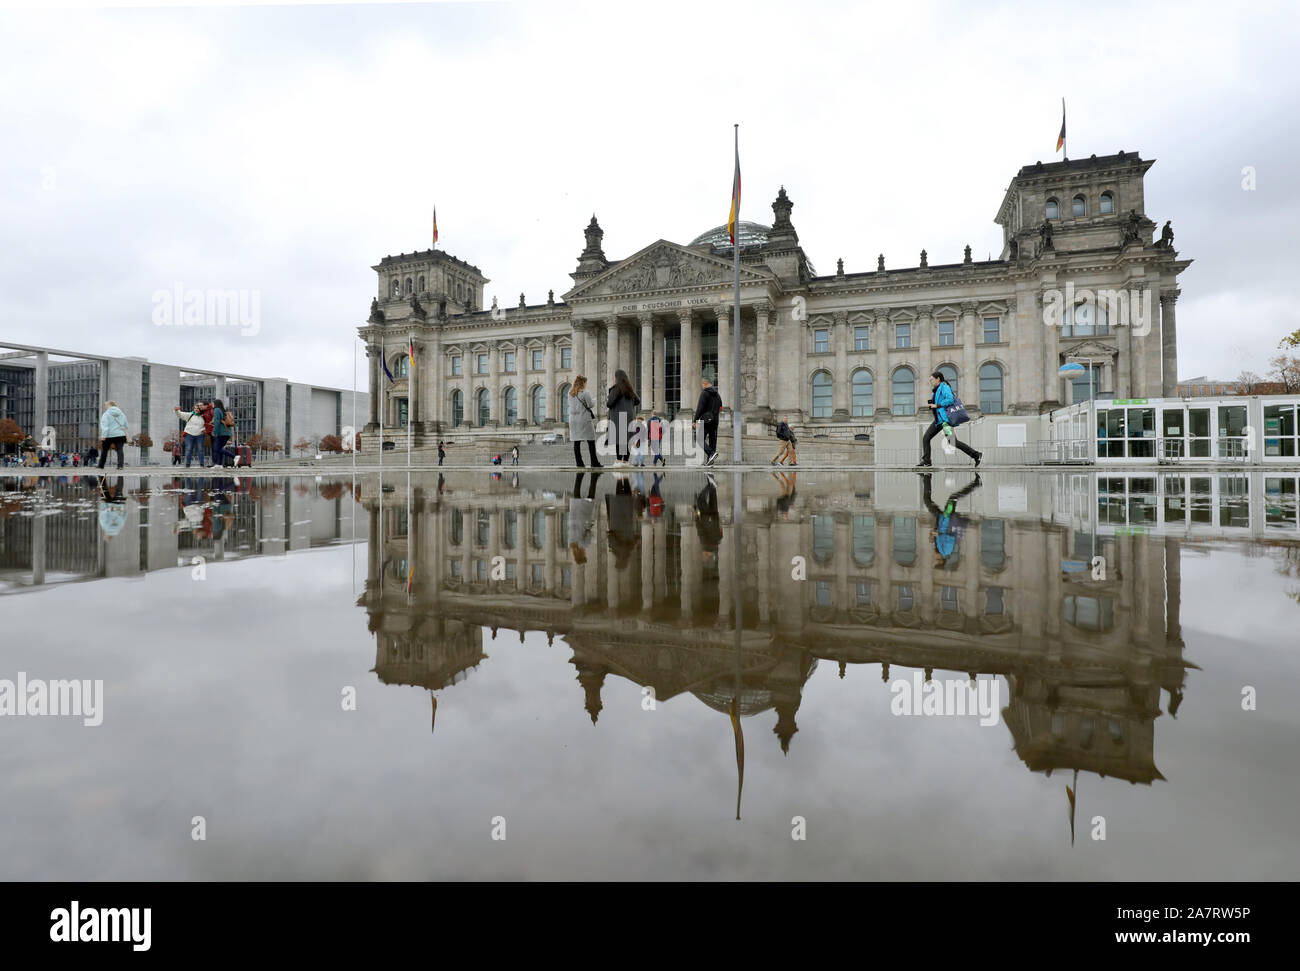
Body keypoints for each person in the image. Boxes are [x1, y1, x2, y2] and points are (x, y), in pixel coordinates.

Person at [917, 370, 981, 468]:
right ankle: (927, 461)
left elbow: (950, 399)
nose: (931, 382)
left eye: (932, 379)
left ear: (938, 379)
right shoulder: (936, 390)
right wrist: (933, 405)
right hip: (939, 420)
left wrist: (937, 405)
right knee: (926, 438)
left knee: (952, 441)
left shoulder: (944, 387)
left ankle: (976, 455)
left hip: (945, 421)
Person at [921, 471, 982, 569]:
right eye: (935, 560)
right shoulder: (947, 551)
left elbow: (936, 536)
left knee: (927, 500)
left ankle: (926, 477)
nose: (934, 557)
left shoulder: (939, 550)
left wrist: (932, 536)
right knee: (953, 498)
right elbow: (951, 538)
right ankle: (976, 484)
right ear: (941, 560)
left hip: (941, 518)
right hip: (947, 517)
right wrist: (938, 534)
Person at [606, 369, 640, 465]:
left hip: (619, 418)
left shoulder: (616, 389)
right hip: (629, 417)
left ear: (617, 378)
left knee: (619, 440)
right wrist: (630, 404)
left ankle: (619, 460)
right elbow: (638, 401)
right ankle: (625, 461)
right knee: (627, 440)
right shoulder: (630, 389)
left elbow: (609, 403)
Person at [567, 375, 602, 468]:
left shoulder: (570, 393)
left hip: (573, 420)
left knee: (576, 441)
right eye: (585, 382)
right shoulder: (585, 392)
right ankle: (594, 462)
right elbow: (590, 404)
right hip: (583, 419)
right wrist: (594, 400)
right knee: (591, 440)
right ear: (583, 383)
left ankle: (579, 463)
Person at [692, 373, 723, 466]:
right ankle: (710, 461)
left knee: (698, 438)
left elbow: (700, 408)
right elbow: (721, 408)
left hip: (705, 420)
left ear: (705, 384)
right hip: (715, 420)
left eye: (702, 384)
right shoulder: (718, 395)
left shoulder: (704, 393)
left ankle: (711, 453)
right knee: (712, 441)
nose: (702, 386)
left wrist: (695, 420)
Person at [97, 401, 128, 470]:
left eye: (106, 405)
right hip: (120, 434)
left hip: (109, 435)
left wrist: (103, 436)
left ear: (109, 405)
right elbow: (126, 425)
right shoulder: (122, 414)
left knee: (104, 450)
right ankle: (120, 466)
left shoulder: (106, 414)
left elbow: (105, 426)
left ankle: (101, 465)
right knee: (120, 450)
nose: (105, 407)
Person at [174, 403, 206, 468]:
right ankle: (187, 464)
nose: (196, 410)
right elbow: (180, 414)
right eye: (195, 408)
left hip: (200, 435)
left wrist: (205, 430)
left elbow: (208, 424)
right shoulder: (190, 415)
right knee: (189, 449)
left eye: (198, 408)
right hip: (189, 434)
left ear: (200, 409)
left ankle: (202, 464)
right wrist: (177, 411)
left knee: (200, 450)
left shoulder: (204, 416)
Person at [211, 398, 233, 468]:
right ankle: (219, 464)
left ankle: (234, 457)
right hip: (227, 433)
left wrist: (214, 431)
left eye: (212, 403)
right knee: (220, 448)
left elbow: (217, 422)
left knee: (217, 449)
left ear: (215, 404)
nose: (212, 404)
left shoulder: (217, 410)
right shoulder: (223, 411)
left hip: (221, 433)